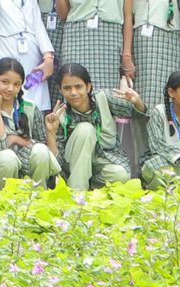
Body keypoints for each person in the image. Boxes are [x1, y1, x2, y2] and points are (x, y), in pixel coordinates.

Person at [41, 65, 133, 194]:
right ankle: (77, 193)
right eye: (67, 88)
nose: (73, 92)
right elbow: (57, 162)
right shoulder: (60, 115)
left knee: (120, 175)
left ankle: (89, 187)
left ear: (88, 87)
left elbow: (134, 112)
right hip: (73, 166)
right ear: (60, 90)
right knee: (85, 129)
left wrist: (136, 101)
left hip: (102, 160)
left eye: (78, 87)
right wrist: (51, 133)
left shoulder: (103, 98)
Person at [0, 56, 56, 187]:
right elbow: (0, 146)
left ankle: (38, 194)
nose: (10, 89)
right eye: (5, 82)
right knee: (8, 157)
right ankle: (0, 198)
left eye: (16, 84)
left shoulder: (30, 108)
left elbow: (43, 146)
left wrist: (16, 139)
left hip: (25, 165)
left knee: (40, 151)